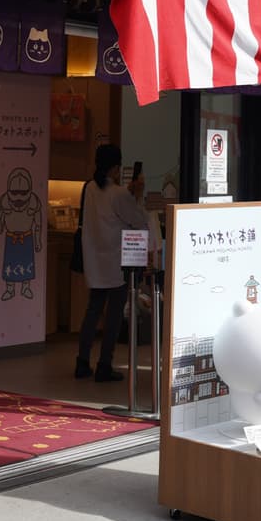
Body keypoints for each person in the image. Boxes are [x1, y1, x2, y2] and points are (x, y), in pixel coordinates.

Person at [76, 145, 154, 382]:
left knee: (93, 311)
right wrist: (137, 195)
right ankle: (104, 365)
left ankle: (81, 362)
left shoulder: (88, 188)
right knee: (113, 315)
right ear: (115, 167)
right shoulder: (118, 193)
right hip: (118, 262)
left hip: (94, 259)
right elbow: (138, 219)